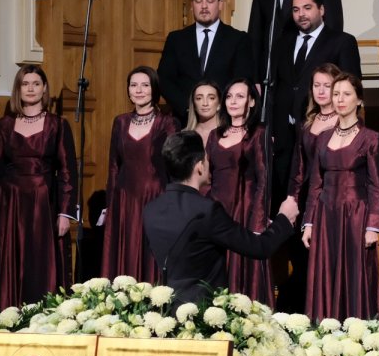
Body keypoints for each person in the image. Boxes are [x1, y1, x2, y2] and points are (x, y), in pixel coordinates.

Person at [142, 131, 298, 309]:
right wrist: (284, 219)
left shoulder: (150, 210)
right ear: (199, 166)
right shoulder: (207, 210)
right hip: (204, 315)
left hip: (167, 311)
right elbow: (258, 247)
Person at [0, 65, 78, 321]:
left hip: (45, 206)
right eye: (25, 84)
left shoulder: (58, 125)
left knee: (42, 266)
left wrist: (65, 212)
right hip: (10, 207)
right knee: (9, 266)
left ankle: (45, 323)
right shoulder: (3, 126)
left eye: (36, 83)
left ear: (44, 89)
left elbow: (67, 172)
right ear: (18, 90)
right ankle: (7, 323)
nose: (30, 88)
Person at [301, 74, 379, 319]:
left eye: (346, 94)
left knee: (355, 274)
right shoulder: (322, 138)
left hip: (356, 216)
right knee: (326, 272)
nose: (340, 99)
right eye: (336, 94)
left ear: (359, 99)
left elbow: (378, 186)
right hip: (325, 215)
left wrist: (373, 226)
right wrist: (309, 223)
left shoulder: (372, 138)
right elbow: (315, 184)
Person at [270, 0, 360, 200]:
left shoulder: (342, 41)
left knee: (317, 188)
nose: (301, 14)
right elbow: (276, 86)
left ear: (321, 10)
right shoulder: (283, 42)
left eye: (307, 8)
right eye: (296, 9)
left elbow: (351, 87)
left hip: (324, 129)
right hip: (284, 129)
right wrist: (273, 127)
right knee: (285, 188)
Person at [101, 66, 180, 282]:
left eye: (145, 85)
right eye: (134, 85)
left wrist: (173, 204)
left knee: (151, 255)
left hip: (155, 197)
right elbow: (114, 166)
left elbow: (175, 168)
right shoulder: (120, 122)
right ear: (128, 90)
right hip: (124, 200)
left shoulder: (168, 123)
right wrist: (111, 204)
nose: (139, 90)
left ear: (154, 89)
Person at [280, 64, 343, 312]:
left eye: (327, 85)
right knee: (302, 260)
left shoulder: (344, 121)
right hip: (307, 198)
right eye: (316, 85)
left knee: (326, 261)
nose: (321, 90)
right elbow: (298, 166)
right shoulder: (308, 121)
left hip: (331, 198)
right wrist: (292, 198)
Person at [206, 79, 274, 303]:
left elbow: (264, 179)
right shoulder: (214, 135)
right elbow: (208, 177)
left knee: (242, 267)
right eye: (229, 96)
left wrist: (258, 221)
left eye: (240, 96)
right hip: (217, 209)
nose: (233, 101)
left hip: (245, 210)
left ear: (252, 101)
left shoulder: (259, 133)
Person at [157, 0, 254, 125]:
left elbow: (241, 81)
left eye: (210, 0)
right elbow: (164, 79)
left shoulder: (238, 39)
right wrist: (188, 108)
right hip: (183, 121)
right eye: (198, 1)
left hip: (223, 122)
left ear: (220, 4)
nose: (204, 6)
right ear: (191, 5)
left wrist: (220, 109)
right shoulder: (176, 39)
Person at [184, 80, 221, 147]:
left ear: (219, 104)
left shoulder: (230, 134)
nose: (205, 103)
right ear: (194, 105)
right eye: (199, 98)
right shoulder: (183, 137)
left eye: (211, 98)